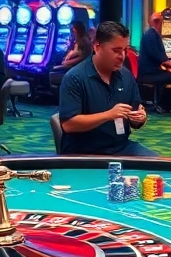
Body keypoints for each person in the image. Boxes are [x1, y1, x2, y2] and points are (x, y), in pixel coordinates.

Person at [58, 21, 154, 156]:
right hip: (84, 153)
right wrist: (108, 115)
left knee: (158, 168)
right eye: (116, 50)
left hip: (121, 147)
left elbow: (135, 113)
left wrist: (139, 118)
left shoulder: (126, 75)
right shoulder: (74, 78)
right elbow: (69, 124)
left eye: (125, 50)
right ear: (97, 47)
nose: (122, 56)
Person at [139, 12, 171, 113]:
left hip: (153, 70)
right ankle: (163, 104)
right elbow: (158, 56)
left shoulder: (152, 34)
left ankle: (166, 104)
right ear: (158, 22)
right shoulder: (151, 36)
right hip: (149, 73)